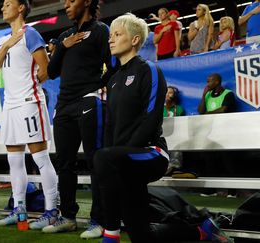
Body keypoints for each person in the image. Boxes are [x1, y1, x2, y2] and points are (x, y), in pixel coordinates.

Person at [96, 13, 232, 243]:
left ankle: (111, 234)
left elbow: (151, 119)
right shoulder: (113, 79)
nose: (111, 39)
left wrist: (115, 157)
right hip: (122, 159)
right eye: (111, 35)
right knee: (142, 235)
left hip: (151, 153)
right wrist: (115, 156)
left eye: (118, 34)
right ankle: (201, 232)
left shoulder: (148, 69)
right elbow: (110, 125)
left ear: (135, 40)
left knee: (102, 157)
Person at [43, 0, 116, 238]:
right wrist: (62, 46)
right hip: (63, 105)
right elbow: (51, 71)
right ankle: (68, 217)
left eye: (71, 1)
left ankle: (98, 220)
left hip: (88, 101)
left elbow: (112, 66)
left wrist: (95, 87)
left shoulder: (100, 30)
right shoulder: (65, 35)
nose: (66, 5)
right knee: (64, 163)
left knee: (96, 162)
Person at [0, 0, 59, 230]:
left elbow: (46, 68)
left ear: (20, 8)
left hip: (29, 103)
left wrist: (31, 87)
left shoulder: (32, 34)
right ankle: (19, 210)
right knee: (14, 160)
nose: (2, 8)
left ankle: (51, 211)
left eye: (7, 3)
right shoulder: (2, 40)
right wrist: (7, 45)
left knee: (40, 158)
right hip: (9, 105)